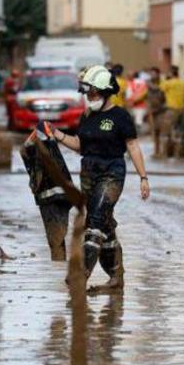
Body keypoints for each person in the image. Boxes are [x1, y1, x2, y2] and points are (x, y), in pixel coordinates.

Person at [52, 65, 150, 292]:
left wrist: (143, 177)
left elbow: (133, 146)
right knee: (105, 224)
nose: (89, 98)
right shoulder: (87, 116)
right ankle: (116, 278)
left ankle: (80, 274)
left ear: (106, 92)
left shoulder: (120, 116)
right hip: (89, 173)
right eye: (87, 93)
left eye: (94, 93)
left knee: (95, 221)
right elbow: (80, 145)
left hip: (112, 173)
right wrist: (56, 134)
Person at [21, 122, 72, 261]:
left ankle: (58, 265)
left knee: (55, 241)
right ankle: (60, 266)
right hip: (63, 199)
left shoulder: (37, 153)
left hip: (50, 200)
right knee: (58, 238)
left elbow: (24, 150)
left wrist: (38, 131)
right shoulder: (53, 152)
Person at [160, 65, 184, 158]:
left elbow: (161, 89)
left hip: (171, 110)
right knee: (178, 132)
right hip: (182, 110)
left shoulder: (168, 83)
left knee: (165, 132)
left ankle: (164, 153)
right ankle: (178, 154)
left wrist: (166, 78)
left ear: (171, 72)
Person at [145, 66, 167, 156]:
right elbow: (148, 93)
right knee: (155, 132)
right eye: (151, 73)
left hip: (162, 110)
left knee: (163, 131)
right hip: (152, 111)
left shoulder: (163, 83)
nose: (151, 75)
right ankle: (156, 151)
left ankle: (163, 152)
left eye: (153, 73)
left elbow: (158, 90)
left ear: (158, 74)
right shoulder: (149, 83)